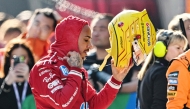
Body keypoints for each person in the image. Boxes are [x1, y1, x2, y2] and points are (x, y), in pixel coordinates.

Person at [29, 15, 133, 109]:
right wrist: (75, 70)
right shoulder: (44, 67)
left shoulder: (76, 68)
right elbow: (63, 103)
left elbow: (94, 105)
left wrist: (115, 80)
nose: (90, 46)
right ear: (71, 39)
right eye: (86, 40)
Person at [83, 13, 139, 93]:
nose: (96, 34)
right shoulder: (83, 60)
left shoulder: (128, 57)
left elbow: (138, 83)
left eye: (102, 30)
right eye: (94, 29)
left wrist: (111, 89)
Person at [137, 29, 188, 109]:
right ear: (162, 48)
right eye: (178, 48)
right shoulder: (162, 72)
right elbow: (159, 105)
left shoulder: (151, 69)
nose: (182, 53)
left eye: (183, 49)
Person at [0, 38, 35, 109]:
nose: (19, 60)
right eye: (15, 57)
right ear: (9, 60)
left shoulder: (38, 83)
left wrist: (30, 80)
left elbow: (44, 101)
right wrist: (7, 84)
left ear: (29, 59)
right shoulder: (2, 82)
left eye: (23, 57)